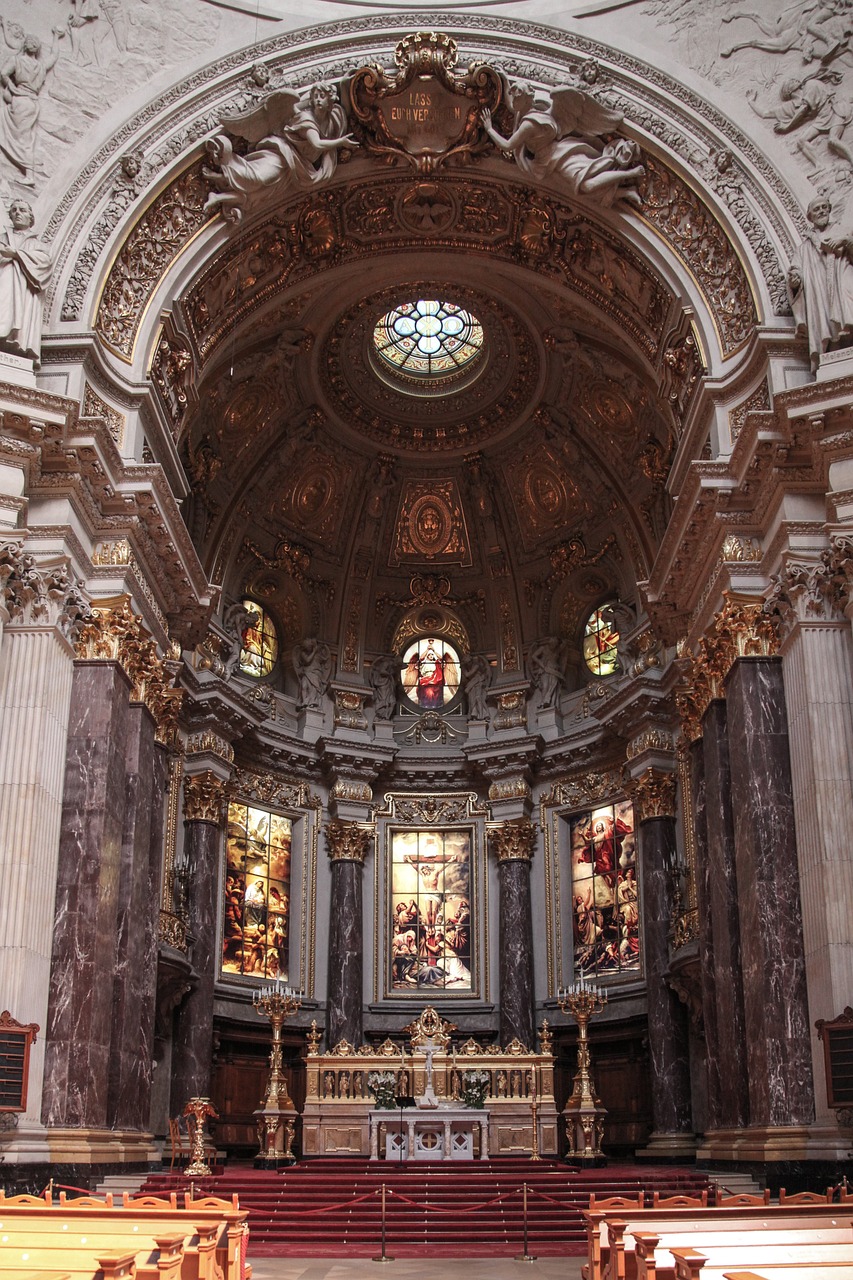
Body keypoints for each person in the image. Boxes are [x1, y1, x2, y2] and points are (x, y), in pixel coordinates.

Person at [204, 81, 358, 222]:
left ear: (331, 99)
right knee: (258, 178)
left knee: (257, 196)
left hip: (296, 167)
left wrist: (348, 83)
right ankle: (223, 172)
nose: (318, 99)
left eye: (322, 96)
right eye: (315, 96)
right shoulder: (306, 118)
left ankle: (218, 196)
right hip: (281, 155)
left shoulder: (334, 119)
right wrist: (341, 142)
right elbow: (317, 144)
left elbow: (349, 103)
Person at [480, 80, 644, 210]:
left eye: (517, 96)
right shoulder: (534, 112)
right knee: (588, 181)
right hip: (554, 157)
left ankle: (630, 175)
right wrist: (502, 79)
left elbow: (508, 145)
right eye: (513, 95)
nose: (513, 99)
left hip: (558, 158)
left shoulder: (528, 124)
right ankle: (625, 191)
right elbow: (511, 105)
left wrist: (489, 129)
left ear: (524, 99)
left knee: (586, 185)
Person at [788, 195, 853, 370]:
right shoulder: (804, 248)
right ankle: (833, 350)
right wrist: (795, 280)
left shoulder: (843, 231)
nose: (822, 211)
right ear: (810, 216)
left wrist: (846, 242)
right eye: (817, 209)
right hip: (819, 288)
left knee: (847, 304)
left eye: (824, 207)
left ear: (830, 209)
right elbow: (796, 269)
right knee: (825, 318)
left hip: (842, 279)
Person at [0, 24, 61, 187]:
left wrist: (11, 86)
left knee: (23, 139)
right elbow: (54, 56)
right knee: (29, 138)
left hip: (20, 102)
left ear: (26, 45)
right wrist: (56, 36)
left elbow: (3, 73)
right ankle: (29, 173)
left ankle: (29, 175)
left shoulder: (17, 60)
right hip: (33, 104)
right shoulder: (41, 66)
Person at [0, 200, 54, 363]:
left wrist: (16, 254)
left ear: (30, 217)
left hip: (24, 295)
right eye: (14, 210)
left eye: (22, 210)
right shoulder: (3, 238)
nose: (17, 212)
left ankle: (15, 340)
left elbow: (44, 264)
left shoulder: (37, 244)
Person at [292, 636, 332, 708]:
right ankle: (304, 700)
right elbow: (307, 660)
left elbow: (325, 659)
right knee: (304, 686)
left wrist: (326, 649)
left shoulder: (317, 654)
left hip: (316, 673)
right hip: (307, 672)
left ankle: (312, 701)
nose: (308, 648)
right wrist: (314, 651)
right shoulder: (303, 654)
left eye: (309, 647)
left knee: (314, 688)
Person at [529, 636, 567, 708]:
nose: (554, 646)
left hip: (554, 670)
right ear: (550, 643)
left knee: (554, 686)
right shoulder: (543, 648)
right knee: (545, 686)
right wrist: (541, 664)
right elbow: (534, 656)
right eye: (553, 643)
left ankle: (551, 702)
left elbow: (563, 646)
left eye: (555, 644)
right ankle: (543, 701)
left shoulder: (556, 651)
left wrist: (563, 640)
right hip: (545, 670)